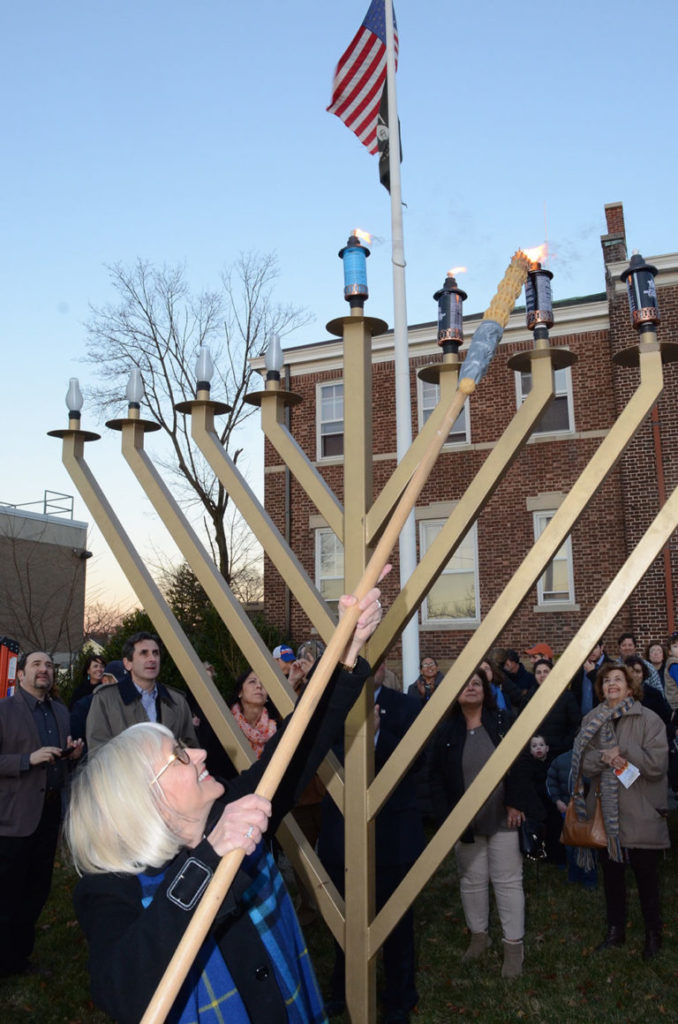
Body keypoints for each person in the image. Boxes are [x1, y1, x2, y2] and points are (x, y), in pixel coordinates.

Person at [67, 581, 385, 1024]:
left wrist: (343, 659)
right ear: (145, 800)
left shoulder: (232, 812)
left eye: (185, 745)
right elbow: (122, 989)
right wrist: (210, 857)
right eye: (179, 756)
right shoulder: (111, 889)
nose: (197, 753)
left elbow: (294, 752)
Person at [320, 671, 424, 1022]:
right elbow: (321, 753)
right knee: (343, 921)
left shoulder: (408, 706)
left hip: (393, 832)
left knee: (396, 924)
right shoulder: (332, 707)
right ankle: (343, 990)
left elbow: (417, 760)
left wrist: (376, 733)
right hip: (342, 831)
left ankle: (399, 997)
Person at [429, 667, 527, 978]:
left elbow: (520, 762)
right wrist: (449, 820)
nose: (471, 688)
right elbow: (434, 781)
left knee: (508, 882)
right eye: (464, 684)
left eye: (476, 683)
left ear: (486, 690)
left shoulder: (502, 721)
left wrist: (516, 802)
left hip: (502, 818)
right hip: (465, 825)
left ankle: (513, 948)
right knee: (471, 881)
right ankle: (478, 937)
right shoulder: (445, 732)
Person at [571, 663, 669, 960]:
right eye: (606, 681)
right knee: (612, 877)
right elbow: (582, 765)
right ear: (600, 689)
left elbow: (657, 766)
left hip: (640, 811)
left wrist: (624, 752)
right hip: (605, 814)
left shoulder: (649, 719)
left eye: (618, 680)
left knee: (646, 878)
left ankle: (653, 934)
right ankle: (616, 930)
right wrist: (604, 759)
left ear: (630, 687)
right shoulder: (591, 720)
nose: (611, 684)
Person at [0, 650, 83, 975]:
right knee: (7, 895)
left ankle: (19, 958)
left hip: (49, 815)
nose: (44, 669)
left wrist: (73, 754)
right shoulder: (5, 711)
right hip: (13, 818)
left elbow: (60, 762)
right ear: (20, 674)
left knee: (36, 891)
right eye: (36, 664)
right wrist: (26, 760)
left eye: (49, 665)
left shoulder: (61, 712)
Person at [86, 631, 198, 754]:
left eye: (156, 653)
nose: (152, 659)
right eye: (144, 653)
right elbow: (98, 752)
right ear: (128, 663)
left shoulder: (177, 702)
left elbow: (190, 749)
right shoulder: (105, 700)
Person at [522, 659, 581, 758]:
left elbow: (575, 724)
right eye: (538, 672)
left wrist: (565, 744)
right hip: (536, 752)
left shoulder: (566, 696)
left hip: (560, 751)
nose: (542, 675)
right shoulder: (529, 698)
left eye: (546, 672)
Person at [230, 669, 279, 758]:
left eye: (263, 683)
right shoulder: (228, 723)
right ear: (240, 692)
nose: (259, 686)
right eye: (252, 682)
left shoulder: (278, 726)